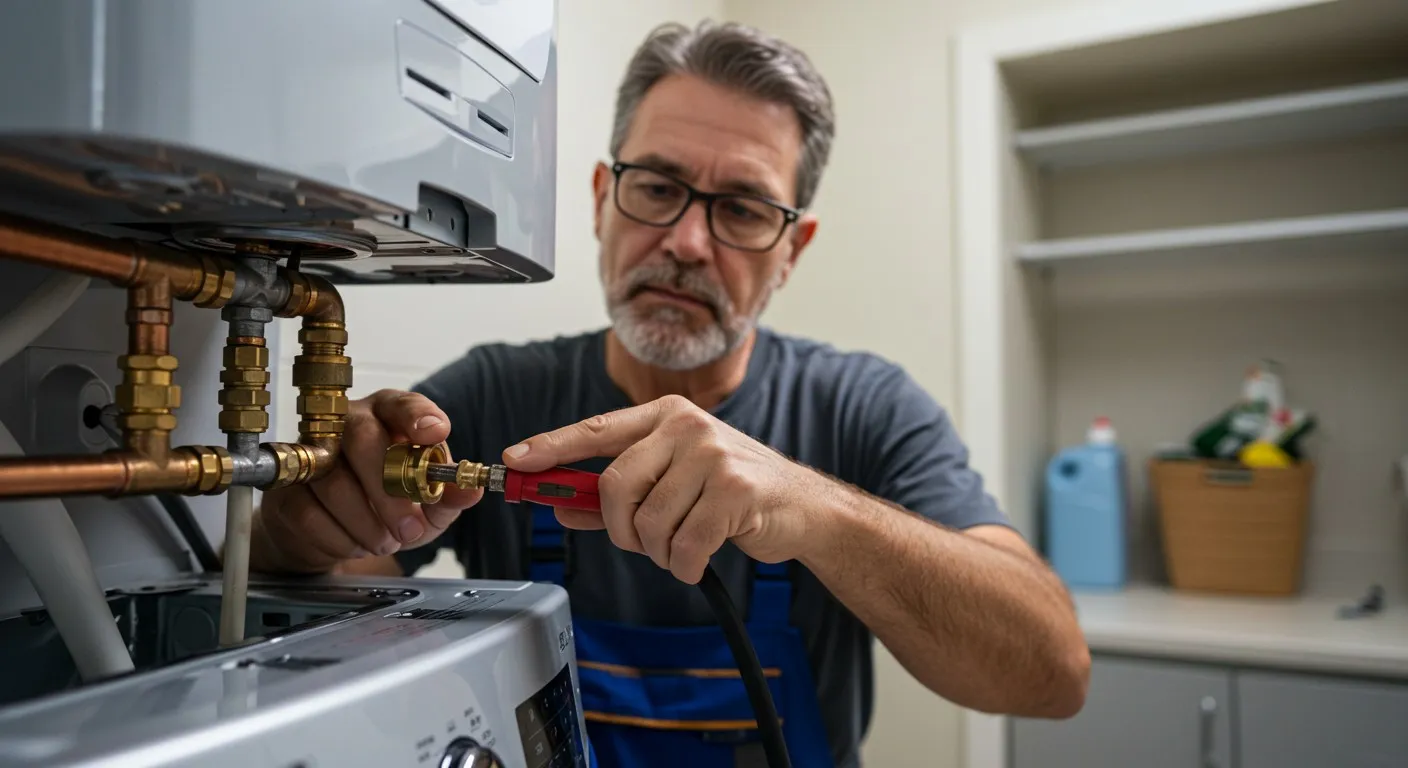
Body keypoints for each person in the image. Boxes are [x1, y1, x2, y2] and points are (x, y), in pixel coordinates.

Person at [249, 19, 1089, 767]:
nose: (687, 242)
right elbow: (338, 581)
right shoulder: (497, 392)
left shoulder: (862, 407)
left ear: (792, 250)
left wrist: (817, 511)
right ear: (597, 202)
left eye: (745, 209)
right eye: (656, 187)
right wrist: (297, 533)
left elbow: (1051, 673)